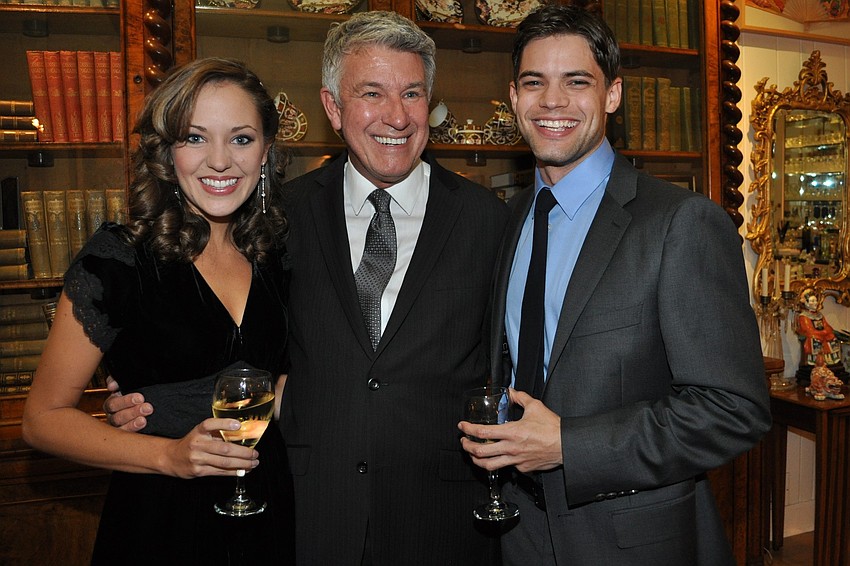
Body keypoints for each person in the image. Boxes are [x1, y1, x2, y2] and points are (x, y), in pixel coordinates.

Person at [105, 11, 509, 566]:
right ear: (333, 107)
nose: (396, 115)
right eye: (372, 93)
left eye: (412, 93)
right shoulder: (274, 217)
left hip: (443, 519)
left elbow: (514, 359)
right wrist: (153, 398)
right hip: (306, 514)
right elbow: (233, 339)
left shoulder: (490, 220)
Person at [458, 5, 772, 565]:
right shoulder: (511, 220)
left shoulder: (681, 222)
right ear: (513, 98)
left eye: (577, 82)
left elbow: (732, 410)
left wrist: (569, 447)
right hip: (516, 529)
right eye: (535, 82)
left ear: (613, 95)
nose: (552, 101)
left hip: (631, 543)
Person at [21, 57, 295, 565]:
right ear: (167, 154)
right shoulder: (119, 259)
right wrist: (167, 457)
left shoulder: (278, 254)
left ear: (266, 152)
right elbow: (42, 420)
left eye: (241, 138)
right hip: (161, 519)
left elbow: (288, 379)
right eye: (194, 138)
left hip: (271, 508)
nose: (220, 161)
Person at [796, 288, 842, 367]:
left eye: (816, 300)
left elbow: (826, 325)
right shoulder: (804, 316)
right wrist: (821, 333)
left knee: (832, 337)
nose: (815, 303)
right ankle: (815, 361)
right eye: (812, 301)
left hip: (822, 333)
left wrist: (826, 331)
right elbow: (808, 329)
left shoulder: (819, 315)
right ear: (806, 303)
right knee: (815, 339)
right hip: (813, 335)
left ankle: (830, 361)